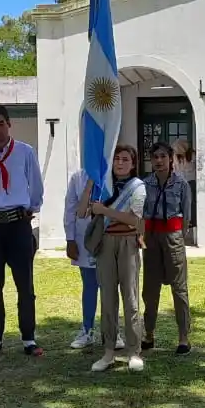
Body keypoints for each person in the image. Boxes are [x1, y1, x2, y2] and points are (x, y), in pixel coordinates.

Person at [0, 105, 45, 358]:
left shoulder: (25, 151)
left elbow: (35, 183)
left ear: (9, 123)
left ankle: (28, 338)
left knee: (24, 284)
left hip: (18, 224)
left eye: (0, 124)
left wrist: (32, 208)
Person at [88, 144, 147, 372]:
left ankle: (134, 352)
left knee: (131, 299)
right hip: (105, 245)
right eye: (116, 160)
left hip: (128, 244)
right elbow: (87, 210)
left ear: (133, 164)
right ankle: (109, 352)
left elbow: (134, 220)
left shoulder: (137, 187)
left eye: (125, 159)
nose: (120, 163)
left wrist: (105, 211)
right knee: (108, 300)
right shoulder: (105, 186)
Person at [63, 169, 126, 350]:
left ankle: (113, 332)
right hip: (86, 238)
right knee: (90, 285)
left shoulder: (115, 172)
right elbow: (70, 208)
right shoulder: (78, 177)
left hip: (110, 236)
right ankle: (87, 330)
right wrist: (70, 238)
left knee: (110, 285)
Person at [141, 142, 193, 355]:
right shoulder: (145, 184)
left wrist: (178, 237)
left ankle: (183, 337)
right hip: (151, 238)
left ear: (170, 158)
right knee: (150, 290)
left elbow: (186, 216)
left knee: (179, 289)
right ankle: (148, 334)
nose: (159, 161)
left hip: (173, 237)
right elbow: (141, 212)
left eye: (163, 156)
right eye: (155, 157)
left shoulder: (181, 185)